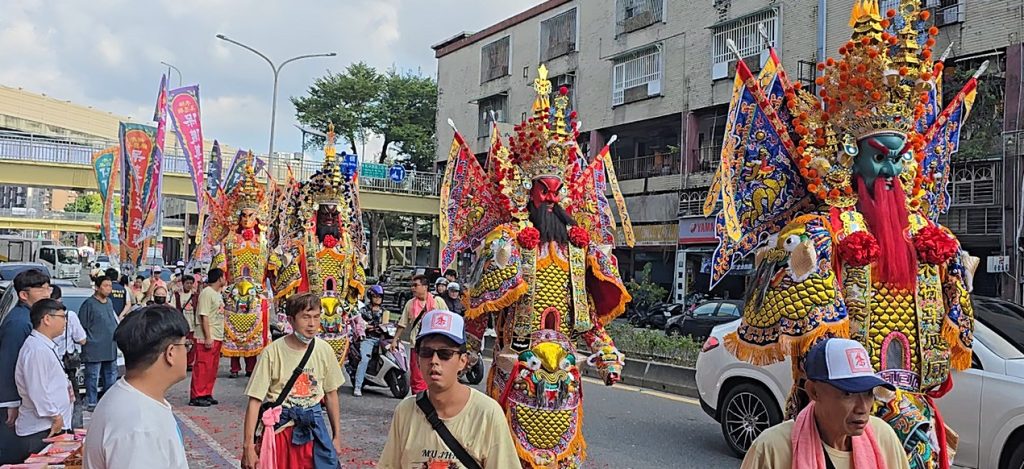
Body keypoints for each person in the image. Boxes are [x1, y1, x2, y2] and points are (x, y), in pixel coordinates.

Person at [378, 309, 518, 469]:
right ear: (417, 359)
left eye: (445, 354)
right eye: (426, 352)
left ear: (463, 361)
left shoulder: (487, 414)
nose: (434, 360)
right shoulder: (405, 411)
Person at [741, 338, 909, 469]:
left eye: (868, 393)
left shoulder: (882, 437)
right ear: (814, 392)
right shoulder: (772, 449)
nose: (863, 408)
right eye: (848, 393)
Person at [241, 293, 344, 469]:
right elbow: (255, 401)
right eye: (305, 317)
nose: (312, 324)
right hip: (282, 432)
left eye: (316, 317)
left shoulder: (324, 350)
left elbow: (331, 395)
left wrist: (336, 436)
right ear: (291, 320)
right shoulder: (272, 352)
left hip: (314, 431)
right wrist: (248, 446)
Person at [83, 305, 190, 468]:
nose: (187, 352)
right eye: (185, 345)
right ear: (171, 353)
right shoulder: (141, 427)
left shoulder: (130, 397)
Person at [0, 269, 51, 464]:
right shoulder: (19, 322)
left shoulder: (30, 317)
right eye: (41, 289)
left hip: (25, 400)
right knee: (12, 453)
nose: (47, 293)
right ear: (23, 295)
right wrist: (11, 403)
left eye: (48, 288)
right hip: (15, 402)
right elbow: (8, 363)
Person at [13, 299, 72, 461]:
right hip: (41, 429)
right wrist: (55, 415)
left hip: (49, 427)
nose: (65, 322)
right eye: (62, 317)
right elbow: (37, 390)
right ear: (47, 319)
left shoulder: (43, 346)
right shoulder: (37, 349)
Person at [392, 274, 447, 395]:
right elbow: (402, 323)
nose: (413, 288)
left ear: (425, 287)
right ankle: (419, 401)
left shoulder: (438, 302)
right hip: (416, 345)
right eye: (412, 285)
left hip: (435, 345)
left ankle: (432, 399)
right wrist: (395, 340)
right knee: (417, 376)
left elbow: (447, 321)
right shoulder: (410, 304)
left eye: (416, 285)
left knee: (434, 374)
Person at [79, 276, 119, 412]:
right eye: (105, 285)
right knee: (92, 377)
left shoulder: (109, 303)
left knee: (111, 376)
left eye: (110, 286)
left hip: (110, 346)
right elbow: (82, 325)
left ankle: (109, 402)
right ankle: (91, 402)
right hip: (94, 348)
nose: (109, 289)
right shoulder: (89, 304)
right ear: (97, 287)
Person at [190, 267, 227, 407]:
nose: (225, 279)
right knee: (203, 366)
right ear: (219, 278)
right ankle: (197, 395)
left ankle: (207, 392)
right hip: (207, 335)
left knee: (212, 367)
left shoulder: (217, 293)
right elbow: (204, 316)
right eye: (224, 276)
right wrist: (207, 336)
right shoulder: (207, 293)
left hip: (217, 334)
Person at [353, 285, 390, 397]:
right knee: (365, 360)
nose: (378, 299)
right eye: (375, 296)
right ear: (370, 297)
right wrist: (367, 327)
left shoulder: (385, 311)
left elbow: (387, 324)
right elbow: (359, 324)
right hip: (368, 339)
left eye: (380, 296)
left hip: (383, 339)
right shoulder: (363, 311)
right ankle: (358, 386)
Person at [50, 286, 86, 396]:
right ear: (60, 299)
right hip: (66, 363)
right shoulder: (70, 316)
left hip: (49, 363)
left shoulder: (39, 316)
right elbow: (82, 340)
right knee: (71, 395)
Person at [173, 275, 199, 371]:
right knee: (181, 344)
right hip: (181, 324)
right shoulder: (177, 295)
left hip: (192, 324)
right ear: (183, 283)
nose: (189, 285)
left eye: (191, 283)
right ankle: (181, 362)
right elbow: (173, 308)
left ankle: (189, 363)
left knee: (191, 345)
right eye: (187, 283)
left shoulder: (195, 296)